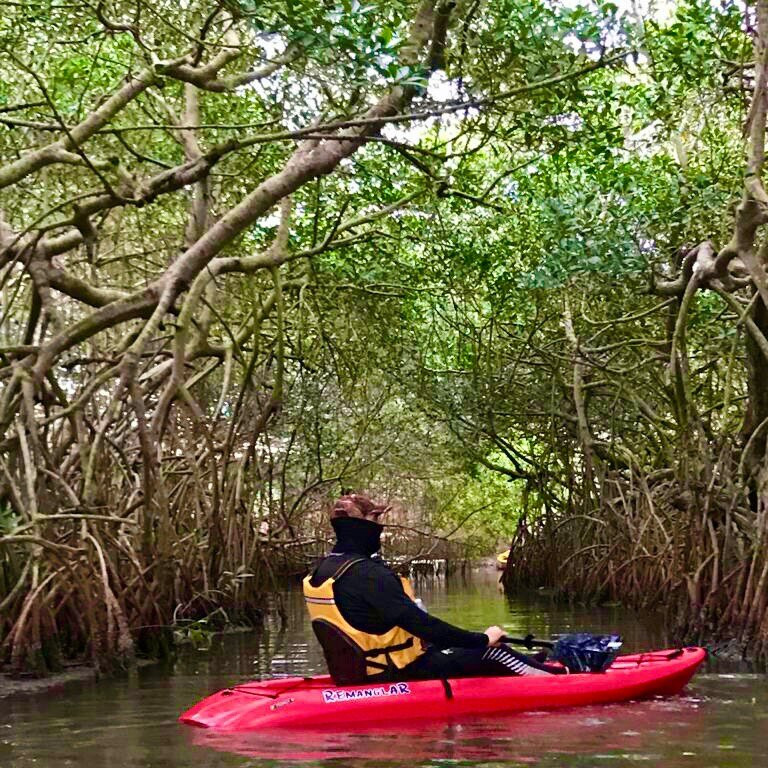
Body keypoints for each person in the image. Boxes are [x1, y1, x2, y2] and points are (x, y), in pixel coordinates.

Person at [303, 493, 561, 685]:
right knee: (495, 652)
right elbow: (423, 626)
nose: (380, 527)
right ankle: (564, 678)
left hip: (360, 671)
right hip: (397, 673)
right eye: (375, 519)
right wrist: (482, 640)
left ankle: (533, 664)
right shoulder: (368, 574)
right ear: (360, 526)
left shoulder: (325, 569)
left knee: (472, 650)